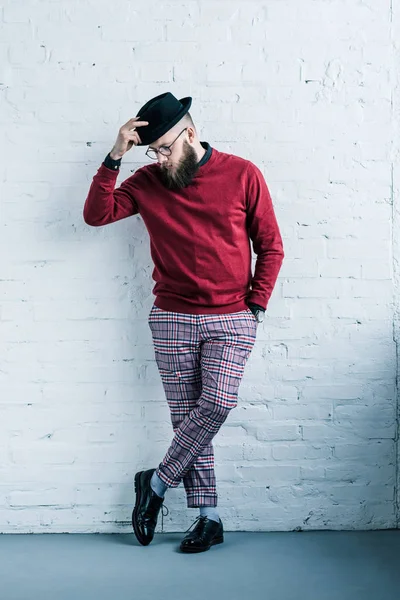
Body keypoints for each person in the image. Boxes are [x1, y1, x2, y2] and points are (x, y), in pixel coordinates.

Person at [83, 92, 284, 553]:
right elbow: (97, 215)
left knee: (215, 403)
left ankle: (154, 484)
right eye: (152, 150)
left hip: (232, 316)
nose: (159, 157)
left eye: (165, 148)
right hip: (172, 316)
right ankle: (208, 518)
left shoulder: (242, 174)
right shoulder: (147, 181)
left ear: (190, 134)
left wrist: (255, 308)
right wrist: (116, 155)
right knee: (187, 418)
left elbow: (270, 246)